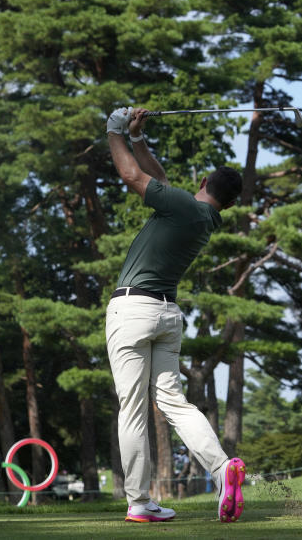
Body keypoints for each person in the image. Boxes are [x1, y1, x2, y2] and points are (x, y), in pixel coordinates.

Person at [105, 106, 247, 524]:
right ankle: (222, 471)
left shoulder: (185, 206)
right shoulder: (200, 215)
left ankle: (138, 502)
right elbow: (159, 180)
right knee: (173, 401)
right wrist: (137, 139)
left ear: (203, 182)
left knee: (132, 408)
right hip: (167, 315)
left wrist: (113, 130)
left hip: (132, 309)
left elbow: (134, 177)